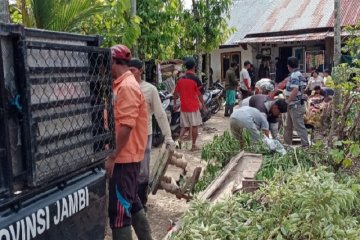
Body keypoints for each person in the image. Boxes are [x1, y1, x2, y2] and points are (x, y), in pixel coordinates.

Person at [105, 44, 152, 240]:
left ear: (113, 61)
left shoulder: (126, 87)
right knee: (132, 202)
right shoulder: (123, 85)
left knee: (119, 213)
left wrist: (112, 156)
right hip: (127, 156)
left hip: (124, 159)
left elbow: (126, 125)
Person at [128, 58, 174, 210]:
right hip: (126, 135)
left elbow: (160, 114)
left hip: (143, 134)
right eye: (127, 70)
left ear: (140, 70)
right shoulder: (122, 88)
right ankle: (129, 200)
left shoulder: (149, 89)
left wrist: (168, 136)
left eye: (132, 70)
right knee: (128, 169)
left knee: (142, 170)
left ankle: (141, 202)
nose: (129, 73)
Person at [174, 57, 205, 151]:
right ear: (194, 66)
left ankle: (179, 140)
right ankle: (194, 145)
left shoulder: (181, 79)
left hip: (184, 106)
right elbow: (200, 94)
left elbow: (175, 93)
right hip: (193, 106)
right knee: (195, 126)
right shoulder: (195, 79)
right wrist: (203, 105)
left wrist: (175, 104)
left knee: (186, 126)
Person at [283, 56, 309, 147]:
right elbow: (301, 89)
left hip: (295, 105)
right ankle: (287, 144)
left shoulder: (294, 75)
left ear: (288, 66)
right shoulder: (300, 74)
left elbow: (295, 89)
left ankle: (305, 145)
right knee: (288, 126)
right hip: (294, 104)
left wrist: (287, 101)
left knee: (299, 126)